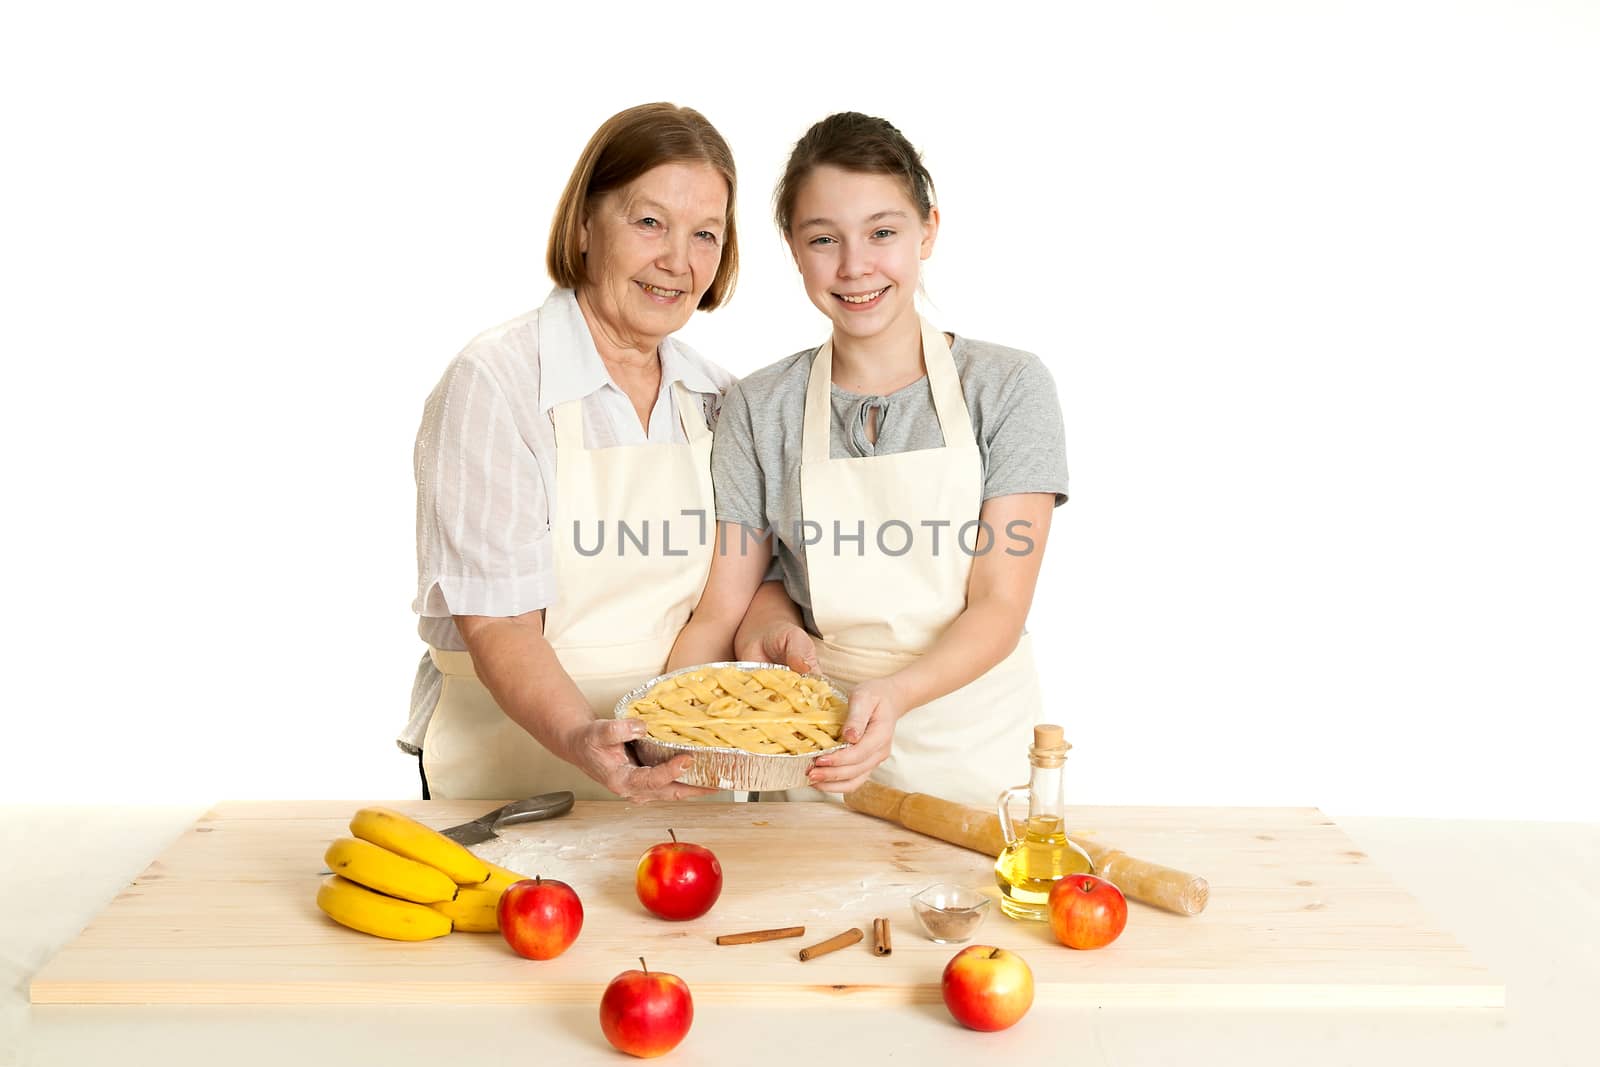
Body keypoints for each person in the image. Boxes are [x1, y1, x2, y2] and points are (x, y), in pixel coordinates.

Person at [669, 112, 1070, 809]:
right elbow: (739, 596)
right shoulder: (759, 407)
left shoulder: (1007, 387)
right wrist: (671, 728)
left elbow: (1000, 603)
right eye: (824, 239)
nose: (855, 266)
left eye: (882, 232)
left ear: (928, 231)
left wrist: (895, 693)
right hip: (813, 756)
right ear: (794, 251)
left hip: (972, 755)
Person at [402, 102, 744, 801]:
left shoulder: (718, 398)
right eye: (649, 222)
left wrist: (665, 730)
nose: (677, 261)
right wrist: (580, 737)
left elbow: (729, 597)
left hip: (678, 762)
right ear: (585, 224)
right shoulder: (497, 381)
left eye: (704, 234)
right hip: (516, 763)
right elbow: (498, 619)